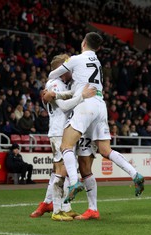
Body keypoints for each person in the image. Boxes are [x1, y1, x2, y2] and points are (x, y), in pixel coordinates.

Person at [48, 32, 144, 203]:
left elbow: (52, 75)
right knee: (106, 150)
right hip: (101, 105)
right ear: (98, 47)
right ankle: (134, 173)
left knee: (66, 145)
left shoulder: (76, 59)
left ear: (83, 42)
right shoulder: (98, 62)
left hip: (86, 104)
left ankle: (74, 183)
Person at [31, 54, 96, 221]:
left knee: (60, 170)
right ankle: (57, 210)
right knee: (63, 171)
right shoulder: (55, 84)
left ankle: (60, 206)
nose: (71, 71)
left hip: (62, 131)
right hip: (59, 132)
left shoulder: (58, 84)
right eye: (67, 68)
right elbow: (64, 105)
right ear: (60, 69)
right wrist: (82, 96)